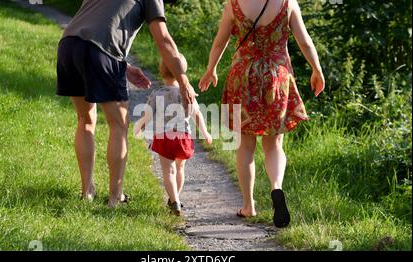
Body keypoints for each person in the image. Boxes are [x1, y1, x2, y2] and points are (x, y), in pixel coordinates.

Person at [56, 0, 197, 207]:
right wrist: (183, 80)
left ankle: (87, 192)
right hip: (99, 51)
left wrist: (123, 65)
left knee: (85, 120)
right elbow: (164, 40)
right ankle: (115, 198)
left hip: (68, 45)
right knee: (119, 124)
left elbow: (95, 24)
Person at [199, 0, 325, 227]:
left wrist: (211, 69)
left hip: (242, 77)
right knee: (274, 145)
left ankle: (248, 206)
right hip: (276, 77)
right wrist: (317, 69)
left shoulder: (234, 4)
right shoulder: (288, 4)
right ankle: (276, 187)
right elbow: (304, 42)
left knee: (245, 146)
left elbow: (220, 43)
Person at [134, 54, 212, 216]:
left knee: (168, 170)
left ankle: (174, 200)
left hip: (163, 138)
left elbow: (147, 115)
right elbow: (197, 115)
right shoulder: (187, 92)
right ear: (184, 72)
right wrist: (205, 133)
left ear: (161, 72)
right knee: (180, 168)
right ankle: (175, 199)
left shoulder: (157, 94)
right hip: (182, 137)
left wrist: (140, 127)